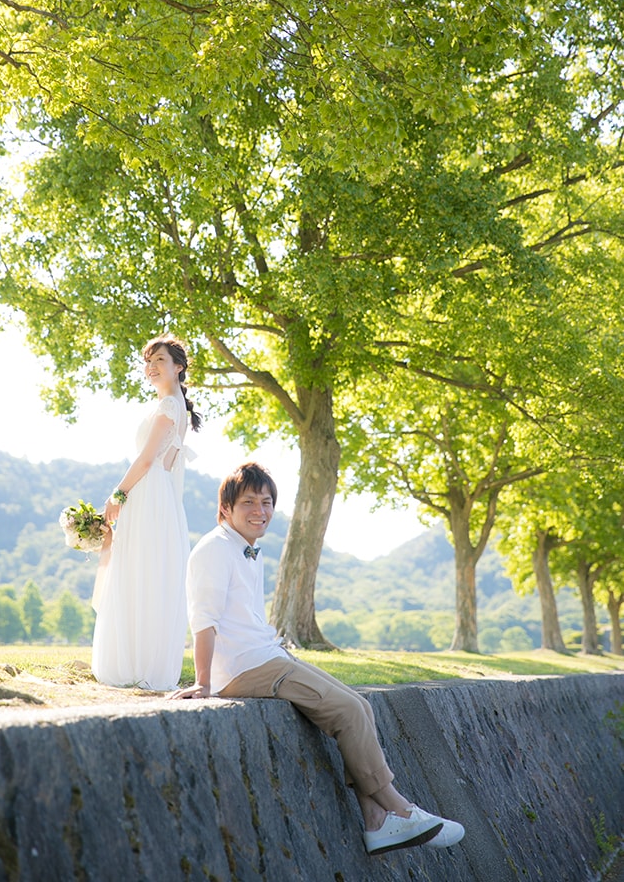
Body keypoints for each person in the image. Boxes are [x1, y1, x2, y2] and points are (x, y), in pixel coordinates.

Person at [170, 462, 465, 856]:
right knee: (347, 712)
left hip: (266, 656)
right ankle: (402, 809)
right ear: (225, 508)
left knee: (360, 705)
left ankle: (376, 823)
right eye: (249, 503)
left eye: (267, 502)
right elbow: (202, 620)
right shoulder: (213, 550)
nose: (260, 510)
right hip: (244, 668)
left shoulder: (246, 549)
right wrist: (204, 683)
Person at [91, 334, 202, 691]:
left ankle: (135, 666)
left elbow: (148, 459)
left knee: (140, 573)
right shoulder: (172, 407)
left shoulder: (169, 407)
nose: (151, 368)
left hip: (149, 494)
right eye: (148, 362)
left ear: (178, 368)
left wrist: (117, 495)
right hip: (157, 497)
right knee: (143, 574)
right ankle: (139, 662)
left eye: (160, 361)